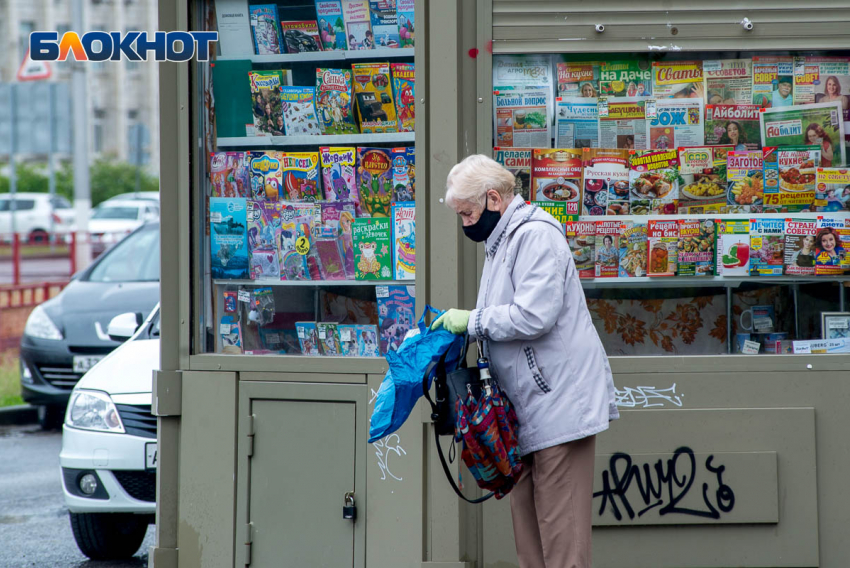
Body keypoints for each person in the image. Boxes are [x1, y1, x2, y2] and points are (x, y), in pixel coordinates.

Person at [432, 155, 619, 568]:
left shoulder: (534, 236)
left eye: (467, 213)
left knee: (562, 546)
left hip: (558, 409)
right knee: (531, 545)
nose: (464, 224)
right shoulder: (501, 241)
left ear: (493, 199)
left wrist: (473, 321)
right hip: (528, 411)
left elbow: (533, 315)